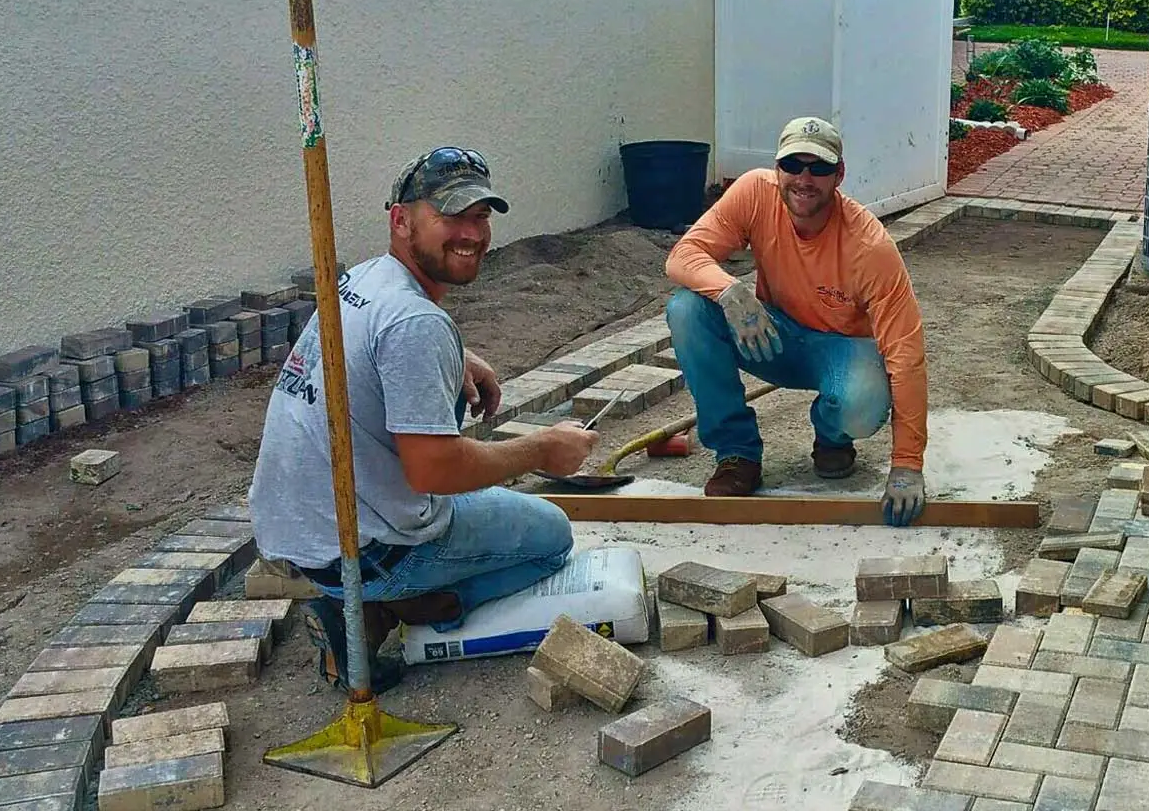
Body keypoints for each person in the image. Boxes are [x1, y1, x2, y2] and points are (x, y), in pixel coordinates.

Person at [247, 146, 599, 692]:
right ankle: (398, 607)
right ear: (401, 219)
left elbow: (375, 361)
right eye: (450, 215)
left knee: (450, 440)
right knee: (552, 536)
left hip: (299, 530)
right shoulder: (415, 322)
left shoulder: (361, 282)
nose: (471, 233)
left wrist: (459, 358)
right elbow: (434, 472)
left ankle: (364, 600)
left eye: (480, 216)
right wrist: (542, 450)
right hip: (365, 552)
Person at [664, 117, 930, 526]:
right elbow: (684, 256)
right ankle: (737, 454)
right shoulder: (755, 192)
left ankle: (832, 435)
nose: (804, 179)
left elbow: (906, 353)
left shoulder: (870, 247)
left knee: (862, 404)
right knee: (687, 310)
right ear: (777, 168)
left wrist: (908, 465)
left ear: (839, 175)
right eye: (793, 165)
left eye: (819, 168)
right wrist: (730, 291)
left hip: (840, 351)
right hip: (773, 335)